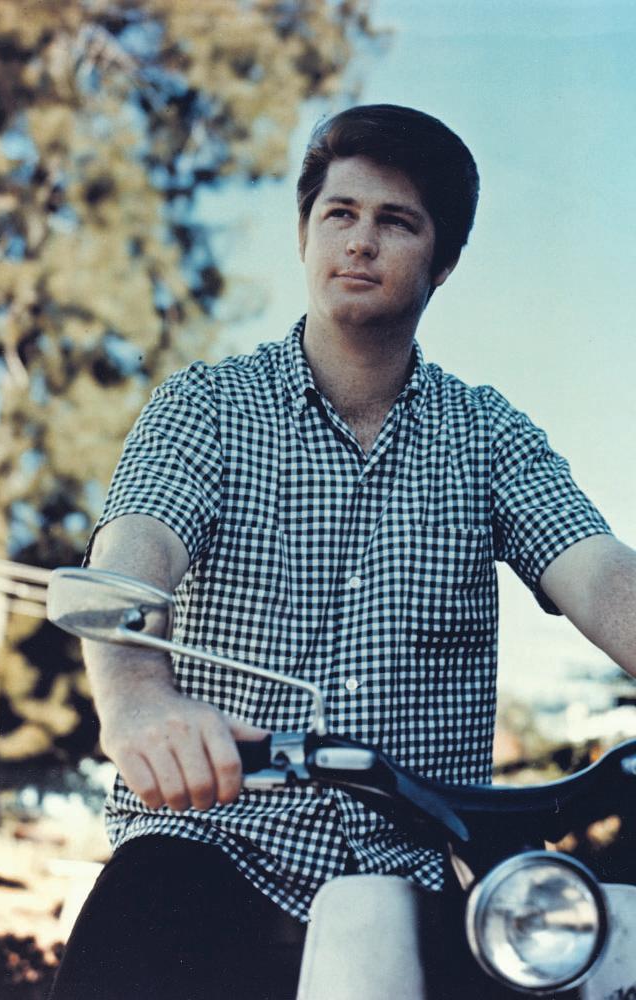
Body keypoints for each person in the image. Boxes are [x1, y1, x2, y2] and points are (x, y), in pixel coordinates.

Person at [49, 104, 636, 999]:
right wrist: (137, 700)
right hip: (214, 842)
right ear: (304, 235)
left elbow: (600, 574)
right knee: (133, 938)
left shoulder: (489, 434)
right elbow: (135, 554)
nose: (360, 241)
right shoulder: (205, 406)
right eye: (340, 213)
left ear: (443, 262)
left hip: (422, 870)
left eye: (396, 221)